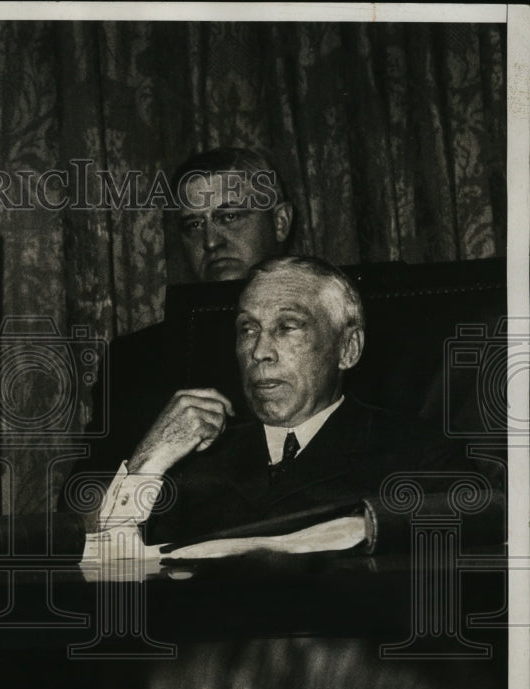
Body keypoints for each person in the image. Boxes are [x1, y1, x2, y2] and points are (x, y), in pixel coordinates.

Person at [96, 255, 489, 545]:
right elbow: (104, 566)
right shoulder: (194, 457)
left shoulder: (421, 454)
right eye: (248, 329)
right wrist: (150, 459)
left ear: (348, 349)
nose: (260, 352)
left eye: (288, 327)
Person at [78, 146, 295, 476]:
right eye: (194, 224)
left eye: (229, 217)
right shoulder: (135, 360)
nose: (210, 241)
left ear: (280, 222)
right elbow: (80, 510)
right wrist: (153, 452)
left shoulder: (342, 333)